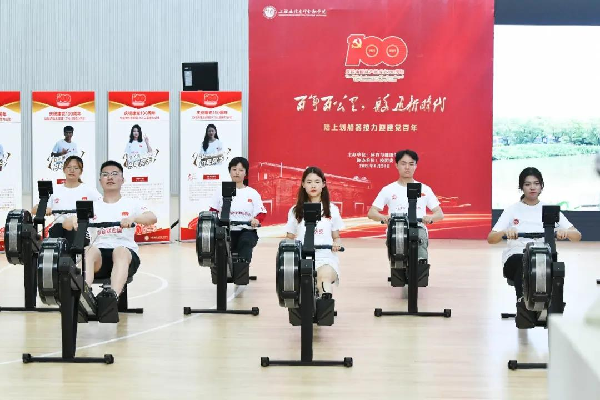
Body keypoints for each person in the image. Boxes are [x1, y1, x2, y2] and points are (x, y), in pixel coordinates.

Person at [487, 167, 581, 327]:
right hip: (516, 258)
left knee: (556, 267)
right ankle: (524, 306)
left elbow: (577, 235)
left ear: (541, 186)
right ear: (521, 187)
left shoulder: (549, 210)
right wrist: (505, 232)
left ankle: (553, 308)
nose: (532, 187)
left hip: (543, 257)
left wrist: (564, 232)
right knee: (524, 260)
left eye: (536, 184)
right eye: (527, 184)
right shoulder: (512, 210)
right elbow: (491, 238)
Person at [63, 160, 157, 317]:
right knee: (89, 250)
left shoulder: (132, 203)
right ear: (100, 180)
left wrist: (133, 218)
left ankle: (111, 299)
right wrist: (73, 219)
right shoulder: (92, 206)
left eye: (114, 174)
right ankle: (83, 296)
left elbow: (152, 218)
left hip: (126, 256)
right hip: (100, 258)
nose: (110, 177)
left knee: (120, 251)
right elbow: (66, 225)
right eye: (105, 174)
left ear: (122, 179)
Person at [285, 166, 344, 298]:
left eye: (317, 182)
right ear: (303, 184)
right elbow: (289, 237)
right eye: (309, 182)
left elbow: (336, 237)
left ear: (323, 184)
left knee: (323, 280)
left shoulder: (332, 209)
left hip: (325, 257)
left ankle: (325, 304)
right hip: (301, 258)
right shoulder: (295, 210)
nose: (313, 185)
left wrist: (337, 244)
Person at [33, 156, 102, 248]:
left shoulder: (89, 190)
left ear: (81, 171)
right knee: (56, 230)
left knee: (72, 233)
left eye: (76, 168)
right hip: (58, 230)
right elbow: (34, 210)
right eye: (69, 167)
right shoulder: (55, 190)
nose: (72, 170)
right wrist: (43, 209)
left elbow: (102, 206)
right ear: (64, 170)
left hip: (80, 229)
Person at [208, 157, 267, 264]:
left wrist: (256, 220)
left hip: (246, 230)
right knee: (220, 245)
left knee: (246, 241)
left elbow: (261, 213)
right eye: (234, 169)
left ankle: (242, 269)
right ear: (230, 171)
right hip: (226, 230)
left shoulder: (252, 193)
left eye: (241, 170)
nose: (237, 173)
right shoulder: (221, 190)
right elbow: (213, 211)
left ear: (245, 173)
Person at [368, 149, 444, 225]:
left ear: (415, 166)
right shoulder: (388, 189)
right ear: (396, 165)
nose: (407, 167)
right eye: (403, 164)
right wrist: (382, 217)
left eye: (411, 164)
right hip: (395, 231)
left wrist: (430, 218)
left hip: (419, 231)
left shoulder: (425, 189)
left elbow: (439, 213)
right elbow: (371, 212)